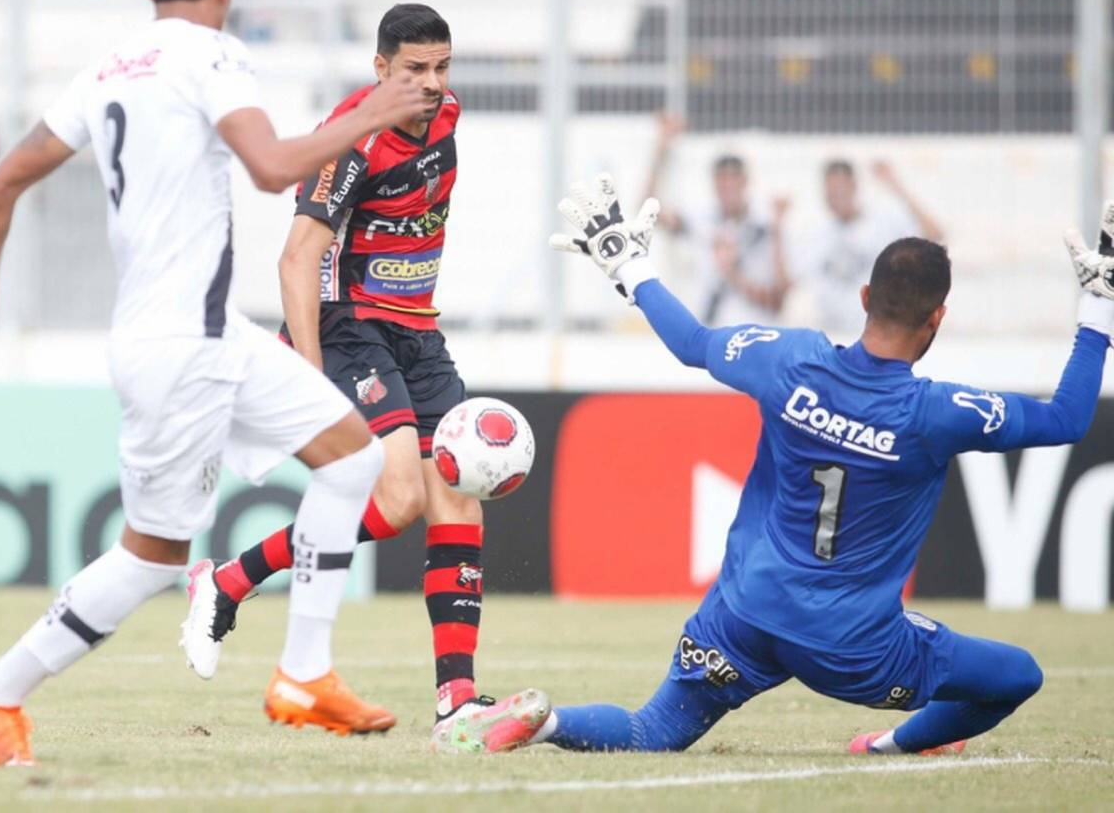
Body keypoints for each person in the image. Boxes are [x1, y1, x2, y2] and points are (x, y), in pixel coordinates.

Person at [0, 0, 431, 766]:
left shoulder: (106, 68)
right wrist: (375, 112)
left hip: (201, 334)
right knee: (155, 555)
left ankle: (305, 673)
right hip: (183, 346)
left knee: (352, 458)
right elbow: (273, 167)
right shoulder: (214, 52)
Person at [463, 174, 1114, 755]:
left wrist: (627, 264)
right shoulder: (936, 412)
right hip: (853, 647)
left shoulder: (790, 357)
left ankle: (544, 722)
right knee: (1017, 674)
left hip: (745, 611)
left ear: (864, 295)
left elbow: (692, 344)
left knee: (650, 731)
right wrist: (1098, 305)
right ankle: (889, 744)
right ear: (938, 315)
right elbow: (1066, 418)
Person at [178, 3, 543, 753]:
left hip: (416, 330)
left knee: (457, 494)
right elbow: (295, 258)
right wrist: (309, 380)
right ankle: (232, 583)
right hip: (350, 326)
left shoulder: (448, 117)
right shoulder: (351, 143)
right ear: (381, 70)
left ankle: (457, 702)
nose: (431, 83)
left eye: (442, 67)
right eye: (414, 70)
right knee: (403, 493)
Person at [642, 113, 789, 326]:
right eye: (722, 182)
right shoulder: (701, 222)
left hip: (756, 338)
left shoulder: (765, 228)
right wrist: (661, 149)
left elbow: (778, 300)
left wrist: (732, 273)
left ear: (745, 182)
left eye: (733, 181)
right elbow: (648, 211)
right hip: (708, 339)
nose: (727, 189)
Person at [801, 158, 944, 336]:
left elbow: (935, 235)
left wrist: (895, 185)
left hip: (875, 336)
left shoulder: (881, 223)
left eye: (841, 190)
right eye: (831, 192)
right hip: (832, 337)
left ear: (853, 187)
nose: (836, 198)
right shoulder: (815, 233)